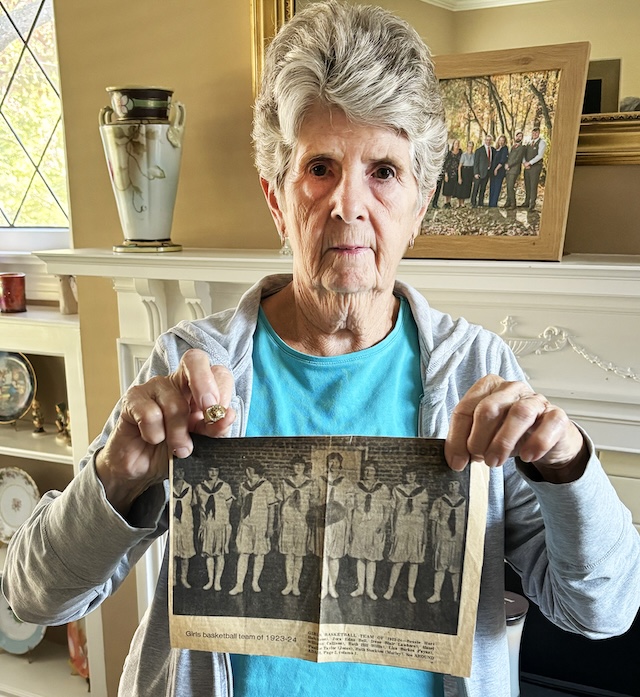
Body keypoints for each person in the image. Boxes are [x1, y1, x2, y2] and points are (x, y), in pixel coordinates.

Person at [3, 3, 639, 697]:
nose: (348, 204)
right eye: (320, 167)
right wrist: (116, 476)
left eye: (384, 171)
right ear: (276, 199)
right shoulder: (193, 366)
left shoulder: (476, 371)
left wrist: (567, 462)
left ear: (420, 205)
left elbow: (602, 610)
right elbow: (33, 595)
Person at [309, 451, 354, 600]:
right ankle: (323, 587)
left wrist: (347, 522)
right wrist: (321, 504)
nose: (333, 464)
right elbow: (312, 500)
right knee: (324, 556)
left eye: (336, 462)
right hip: (323, 521)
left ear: (340, 464)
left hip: (339, 523)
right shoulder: (319, 480)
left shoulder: (346, 483)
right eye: (330, 461)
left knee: (334, 557)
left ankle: (332, 587)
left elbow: (350, 506)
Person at [229, 459, 277, 595]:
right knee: (243, 553)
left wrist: (270, 527)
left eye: (250, 469)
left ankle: (255, 582)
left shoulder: (266, 485)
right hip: (246, 524)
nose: (247, 472)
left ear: (256, 471)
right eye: (246, 469)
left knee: (259, 554)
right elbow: (240, 505)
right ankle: (239, 585)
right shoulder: (243, 486)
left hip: (261, 524)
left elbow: (271, 508)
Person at [383, 465, 429, 603]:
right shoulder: (397, 490)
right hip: (401, 527)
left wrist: (424, 531)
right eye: (408, 474)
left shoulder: (422, 491)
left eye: (413, 474)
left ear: (416, 475)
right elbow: (393, 512)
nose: (410, 477)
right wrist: (393, 530)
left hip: (416, 528)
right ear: (404, 475)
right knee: (398, 561)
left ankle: (410, 592)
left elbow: (425, 513)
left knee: (414, 562)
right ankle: (390, 590)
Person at [348, 460, 390, 600]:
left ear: (375, 472)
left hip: (375, 526)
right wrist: (351, 526)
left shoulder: (382, 488)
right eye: (366, 470)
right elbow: (351, 508)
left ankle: (370, 589)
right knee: (360, 557)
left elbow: (387, 509)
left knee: (372, 558)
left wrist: (383, 524)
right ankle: (360, 588)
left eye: (371, 470)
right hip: (359, 524)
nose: (368, 473)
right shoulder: (356, 487)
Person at [277, 455, 314, 596]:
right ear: (292, 467)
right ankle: (288, 584)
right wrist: (279, 520)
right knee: (288, 554)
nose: (298, 468)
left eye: (301, 465)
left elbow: (313, 503)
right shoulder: (285, 482)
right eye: (296, 465)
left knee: (299, 554)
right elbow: (279, 502)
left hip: (302, 521)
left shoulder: (310, 483)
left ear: (304, 467)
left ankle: (296, 584)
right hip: (288, 520)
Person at [194, 465, 233, 591]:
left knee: (220, 554)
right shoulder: (199, 487)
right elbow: (196, 505)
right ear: (206, 471)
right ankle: (210, 581)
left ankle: (217, 582)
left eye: (216, 470)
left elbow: (228, 505)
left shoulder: (225, 487)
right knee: (208, 554)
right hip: (207, 525)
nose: (213, 473)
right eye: (210, 470)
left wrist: (222, 519)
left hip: (220, 525)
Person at [427, 480, 466, 604]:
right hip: (443, 537)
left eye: (456, 484)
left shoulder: (464, 502)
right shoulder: (439, 501)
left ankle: (456, 595)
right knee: (440, 566)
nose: (453, 487)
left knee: (456, 568)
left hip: (458, 538)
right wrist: (434, 538)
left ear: (460, 486)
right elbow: (433, 521)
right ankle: (436, 594)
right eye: (450, 484)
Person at [172, 465, 196, 589]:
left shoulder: (189, 488)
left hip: (185, 523)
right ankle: (173, 578)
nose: (180, 473)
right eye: (178, 470)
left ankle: (184, 578)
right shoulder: (170, 486)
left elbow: (194, 503)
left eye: (183, 471)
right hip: (174, 523)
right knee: (173, 552)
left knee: (185, 552)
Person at [522, 126, 547, 211]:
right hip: (527, 166)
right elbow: (524, 154)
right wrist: (524, 163)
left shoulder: (541, 142)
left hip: (535, 167)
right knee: (527, 184)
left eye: (536, 132)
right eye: (533, 132)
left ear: (539, 133)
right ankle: (526, 202)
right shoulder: (528, 142)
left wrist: (530, 163)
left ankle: (532, 204)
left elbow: (540, 156)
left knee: (533, 185)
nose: (534, 134)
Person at [503, 130, 525, 209]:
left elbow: (518, 159)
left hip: (515, 169)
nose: (518, 137)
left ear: (522, 138)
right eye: (517, 136)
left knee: (510, 186)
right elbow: (509, 157)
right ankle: (508, 202)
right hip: (508, 169)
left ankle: (513, 204)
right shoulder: (513, 146)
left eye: (520, 136)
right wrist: (506, 164)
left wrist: (509, 165)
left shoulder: (522, 147)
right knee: (508, 186)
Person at [470, 134, 494, 207]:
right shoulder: (479, 150)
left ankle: (481, 202)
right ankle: (473, 202)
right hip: (479, 172)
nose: (488, 141)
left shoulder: (492, 150)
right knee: (476, 188)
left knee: (483, 188)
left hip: (488, 172)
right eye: (487, 140)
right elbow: (476, 162)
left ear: (491, 141)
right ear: (485, 140)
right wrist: (476, 173)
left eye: (489, 140)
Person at [488, 134, 508, 207]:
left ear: (505, 141)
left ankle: (494, 203)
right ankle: (490, 203)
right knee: (492, 187)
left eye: (503, 140)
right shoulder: (495, 149)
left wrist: (496, 169)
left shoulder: (504, 149)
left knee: (497, 187)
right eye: (500, 140)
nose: (501, 142)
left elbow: (502, 160)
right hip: (492, 171)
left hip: (499, 171)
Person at [441, 139, 462, 208]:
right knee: (447, 187)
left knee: (451, 188)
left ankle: (449, 202)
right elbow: (445, 164)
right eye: (455, 144)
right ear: (453, 145)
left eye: (458, 144)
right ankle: (445, 202)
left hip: (456, 173)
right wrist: (446, 174)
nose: (457, 145)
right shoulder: (449, 153)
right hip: (449, 173)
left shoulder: (460, 153)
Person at [456, 140, 474, 207]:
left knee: (466, 188)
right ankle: (459, 202)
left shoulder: (474, 155)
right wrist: (459, 177)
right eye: (469, 146)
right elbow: (459, 167)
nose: (470, 148)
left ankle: (463, 202)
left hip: (470, 172)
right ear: (467, 147)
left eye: (471, 146)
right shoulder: (464, 155)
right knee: (461, 187)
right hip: (464, 171)